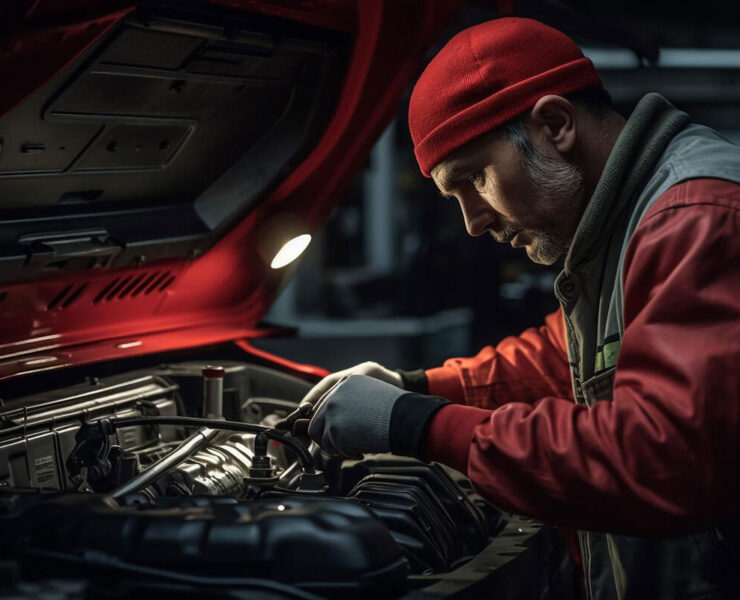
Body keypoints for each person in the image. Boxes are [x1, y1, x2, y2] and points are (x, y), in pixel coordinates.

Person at [305, 17, 740, 599]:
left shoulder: (695, 218)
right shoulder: (629, 223)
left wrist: (415, 424)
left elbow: (659, 459)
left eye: (475, 179)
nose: (473, 221)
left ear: (555, 124)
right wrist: (417, 385)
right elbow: (568, 358)